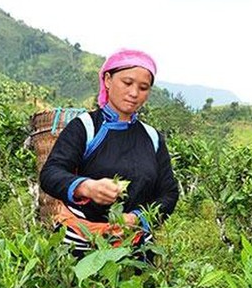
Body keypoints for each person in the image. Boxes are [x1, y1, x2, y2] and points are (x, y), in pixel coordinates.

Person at [40, 48, 179, 258]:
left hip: (136, 246)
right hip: (80, 244)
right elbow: (50, 173)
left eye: (143, 87)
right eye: (127, 83)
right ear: (107, 79)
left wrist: (138, 218)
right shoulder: (85, 127)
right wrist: (86, 187)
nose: (134, 93)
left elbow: (168, 193)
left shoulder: (152, 137)